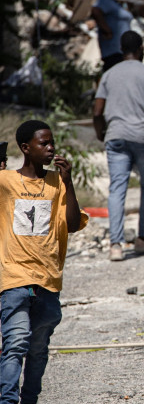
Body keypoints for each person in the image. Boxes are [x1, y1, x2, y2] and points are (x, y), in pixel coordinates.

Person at [0, 121, 87, 404]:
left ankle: (30, 398)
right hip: (13, 278)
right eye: (43, 144)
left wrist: (68, 182)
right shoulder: (6, 183)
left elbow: (73, 223)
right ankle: (8, 400)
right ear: (26, 148)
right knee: (15, 343)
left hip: (48, 279)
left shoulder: (57, 183)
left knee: (38, 348)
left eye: (52, 143)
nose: (51, 149)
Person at [93, 30, 144, 262]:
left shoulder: (108, 75)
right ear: (140, 49)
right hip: (141, 136)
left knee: (117, 190)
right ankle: (143, 237)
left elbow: (97, 110)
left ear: (121, 50)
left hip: (116, 137)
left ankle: (116, 245)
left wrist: (101, 132)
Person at [91, 0, 133, 73]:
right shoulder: (104, 0)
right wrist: (107, 30)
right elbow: (96, 11)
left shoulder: (115, 3)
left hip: (122, 51)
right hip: (113, 52)